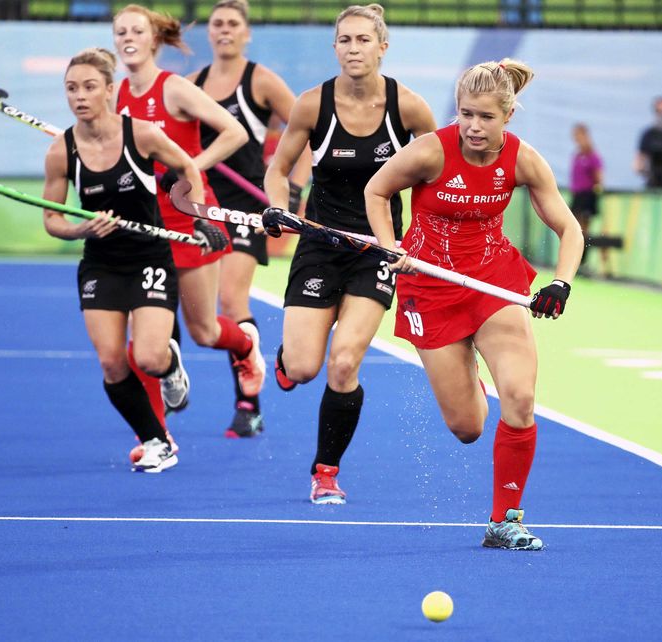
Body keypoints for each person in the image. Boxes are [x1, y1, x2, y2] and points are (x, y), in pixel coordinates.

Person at [364, 59, 584, 549]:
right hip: (430, 287)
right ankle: (469, 373)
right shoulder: (431, 152)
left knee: (521, 399)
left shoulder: (524, 160)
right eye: (465, 114)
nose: (472, 127)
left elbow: (569, 228)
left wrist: (560, 283)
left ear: (506, 116)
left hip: (493, 283)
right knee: (466, 427)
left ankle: (505, 519)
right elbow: (376, 190)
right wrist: (390, 243)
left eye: (485, 117)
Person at [263, 4, 437, 504]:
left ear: (383, 47)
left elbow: (437, 174)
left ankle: (325, 472)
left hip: (377, 249)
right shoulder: (311, 105)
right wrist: (280, 207)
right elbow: (278, 171)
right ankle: (286, 358)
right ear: (335, 47)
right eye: (345, 40)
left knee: (344, 364)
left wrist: (418, 239)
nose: (354, 49)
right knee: (302, 368)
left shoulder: (409, 108)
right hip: (319, 243)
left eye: (364, 40)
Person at [41, 47, 208, 472]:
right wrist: (81, 229)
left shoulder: (143, 134)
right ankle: (157, 441)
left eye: (89, 87)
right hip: (100, 263)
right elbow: (52, 219)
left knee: (150, 357)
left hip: (149, 257)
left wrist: (199, 217)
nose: (79, 96)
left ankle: (171, 368)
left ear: (110, 90)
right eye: (71, 88)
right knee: (113, 363)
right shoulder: (61, 152)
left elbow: (187, 168)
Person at [112, 3, 266, 446]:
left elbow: (234, 132)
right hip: (144, 227)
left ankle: (244, 347)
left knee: (205, 331)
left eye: (136, 30)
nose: (128, 37)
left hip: (191, 217)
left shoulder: (174, 88)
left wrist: (186, 167)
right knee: (142, 342)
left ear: (152, 39)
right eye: (120, 30)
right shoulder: (117, 95)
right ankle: (156, 437)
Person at [186, 0, 312, 438]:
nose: (224, 30)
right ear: (209, 32)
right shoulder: (192, 84)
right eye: (217, 23)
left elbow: (307, 132)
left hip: (247, 210)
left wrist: (293, 192)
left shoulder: (259, 80)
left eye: (232, 24)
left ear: (246, 33)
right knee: (201, 309)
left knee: (229, 301)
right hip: (201, 209)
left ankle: (248, 405)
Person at [569, 123, 607, 275]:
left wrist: (595, 194)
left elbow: (599, 178)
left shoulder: (593, 156)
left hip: (588, 196)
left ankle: (582, 262)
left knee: (583, 230)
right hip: (577, 196)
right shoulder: (577, 155)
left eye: (579, 135)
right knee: (574, 228)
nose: (577, 139)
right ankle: (574, 261)